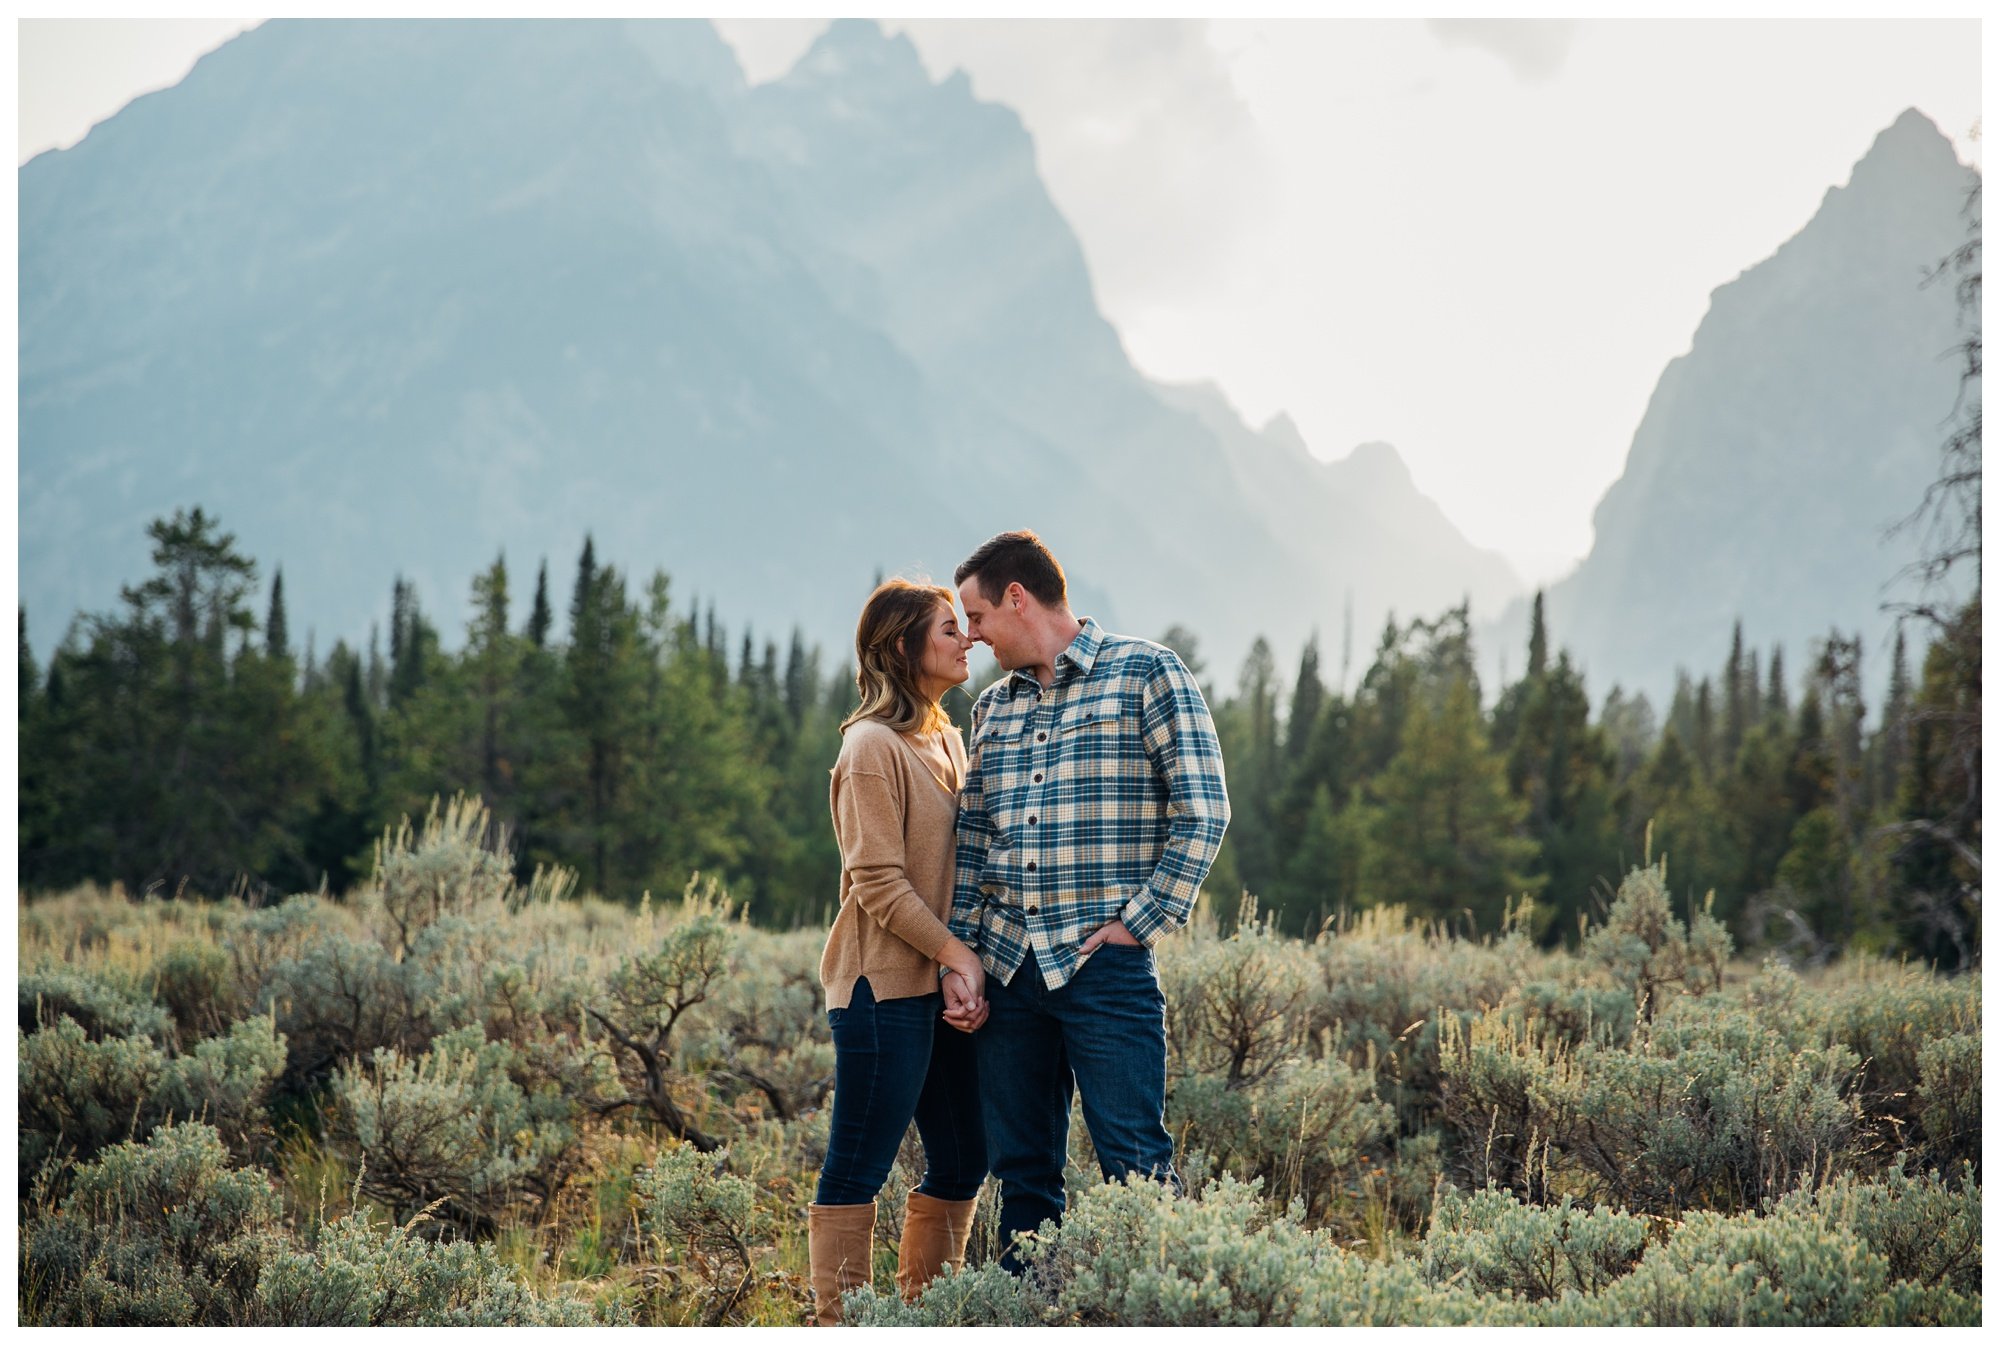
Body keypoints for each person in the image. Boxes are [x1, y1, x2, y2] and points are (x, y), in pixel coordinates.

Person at [943, 530, 1230, 1273]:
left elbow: (1204, 810)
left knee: (1136, 1169)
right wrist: (962, 953)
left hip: (1105, 972)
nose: (971, 637)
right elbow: (974, 843)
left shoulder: (1146, 673)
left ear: (1017, 595)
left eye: (975, 616)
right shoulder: (993, 710)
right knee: (1023, 1176)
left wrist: (1139, 924)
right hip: (1008, 975)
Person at [808, 579, 991, 1326]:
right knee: (860, 1163)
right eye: (949, 628)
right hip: (879, 990)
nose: (966, 638)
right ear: (903, 648)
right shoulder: (869, 747)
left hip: (939, 983)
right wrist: (957, 955)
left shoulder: (947, 737)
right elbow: (878, 883)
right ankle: (838, 1323)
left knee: (962, 1156)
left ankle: (925, 1316)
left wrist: (958, 963)